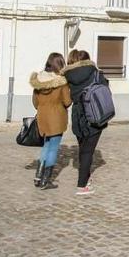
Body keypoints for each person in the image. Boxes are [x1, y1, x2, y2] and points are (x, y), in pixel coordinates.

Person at [62, 49, 108, 195]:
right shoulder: (95, 72)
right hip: (94, 113)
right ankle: (82, 185)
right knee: (88, 151)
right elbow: (105, 88)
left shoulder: (68, 75)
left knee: (83, 148)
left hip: (77, 115)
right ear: (88, 60)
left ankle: (86, 178)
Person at [30, 52, 72, 190]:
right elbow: (67, 101)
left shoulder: (38, 80)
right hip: (57, 118)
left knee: (46, 146)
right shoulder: (61, 81)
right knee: (53, 148)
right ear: (59, 64)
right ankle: (46, 180)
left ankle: (38, 176)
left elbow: (35, 103)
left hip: (43, 116)